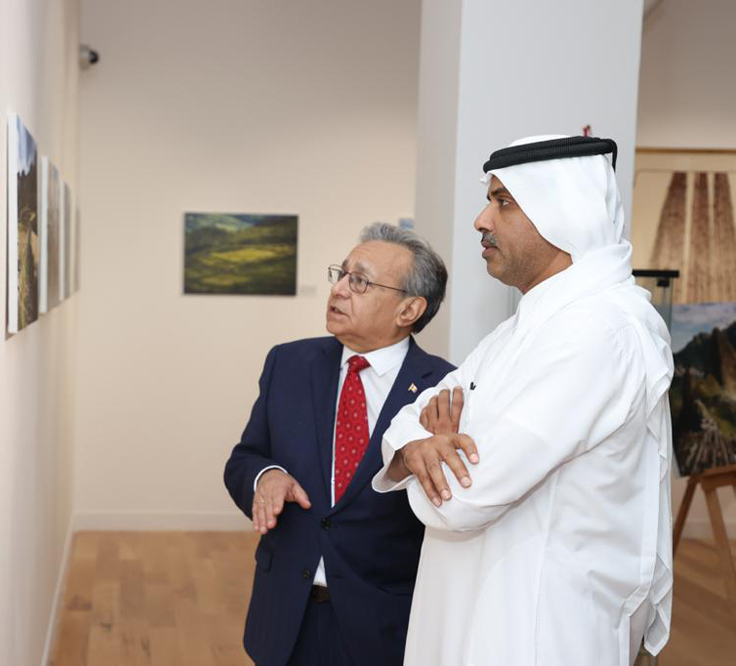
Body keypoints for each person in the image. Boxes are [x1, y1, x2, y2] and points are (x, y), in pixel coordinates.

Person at [373, 135, 674, 665]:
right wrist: (418, 444)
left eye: (502, 202)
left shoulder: (601, 332)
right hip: (478, 612)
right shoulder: (525, 327)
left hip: (540, 627)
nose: (481, 220)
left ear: (564, 213)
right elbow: (411, 417)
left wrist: (426, 447)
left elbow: (467, 497)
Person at [224, 223, 454, 666]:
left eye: (361, 281)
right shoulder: (288, 363)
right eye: (342, 274)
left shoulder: (443, 388)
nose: (340, 290)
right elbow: (244, 458)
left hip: (383, 622)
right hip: (285, 614)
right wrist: (265, 476)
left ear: (409, 309)